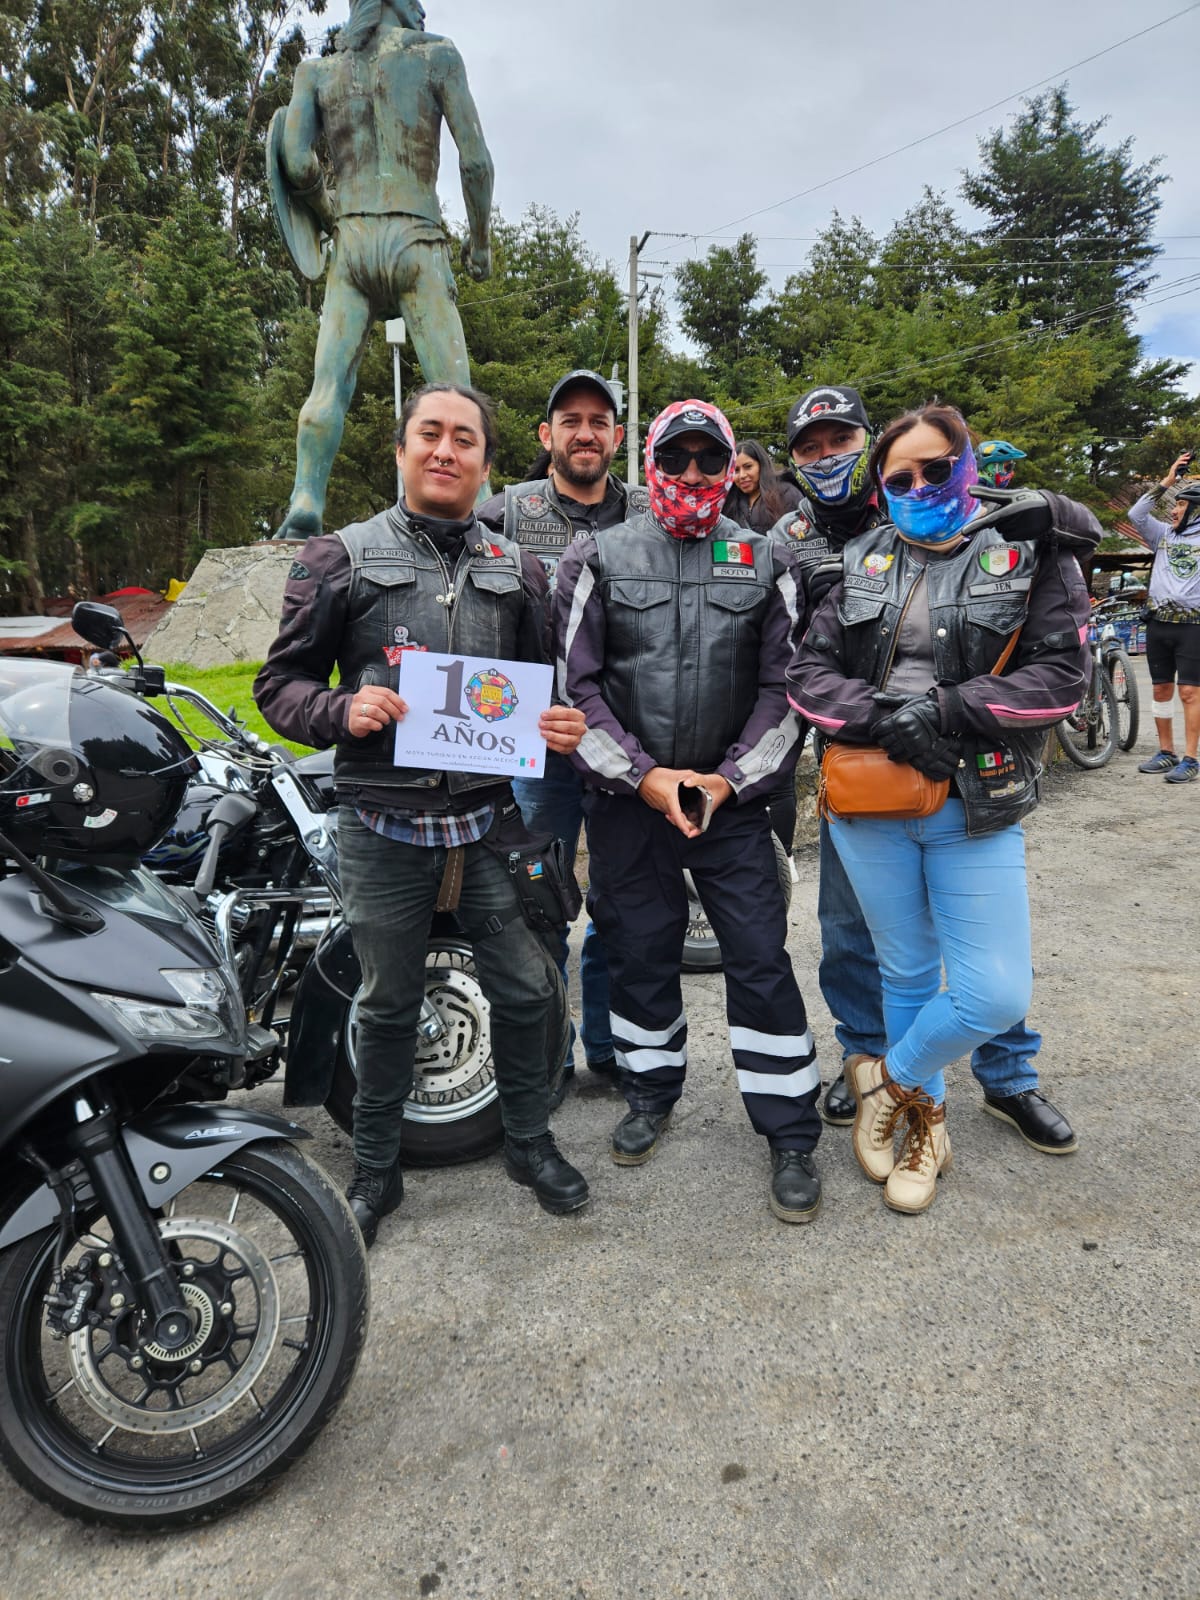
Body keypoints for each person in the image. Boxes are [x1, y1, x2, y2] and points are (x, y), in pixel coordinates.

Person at [254, 382, 590, 1245]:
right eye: (430, 435)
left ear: (486, 463)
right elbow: (278, 688)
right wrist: (341, 713)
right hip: (381, 825)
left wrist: (559, 725)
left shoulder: (522, 571)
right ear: (401, 452)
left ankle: (528, 1141)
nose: (446, 451)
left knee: (525, 988)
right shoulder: (342, 557)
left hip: (486, 823)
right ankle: (374, 1172)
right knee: (388, 1001)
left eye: (465, 440)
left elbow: (544, 695)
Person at [787, 403, 1094, 1213]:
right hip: (871, 802)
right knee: (908, 974)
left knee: (994, 992)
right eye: (900, 478)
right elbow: (807, 675)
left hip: (977, 798)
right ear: (880, 490)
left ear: (967, 463)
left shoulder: (1029, 550)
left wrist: (953, 708)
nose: (918, 485)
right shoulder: (854, 559)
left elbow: (1063, 677)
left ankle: (889, 1083)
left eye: (934, 468)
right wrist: (890, 716)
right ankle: (928, 1125)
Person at [555, 398, 822, 1225]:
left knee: (759, 957)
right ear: (651, 464)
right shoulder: (595, 554)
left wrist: (729, 781)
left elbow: (790, 690)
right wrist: (644, 778)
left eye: (713, 461)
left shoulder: (764, 557)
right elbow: (574, 687)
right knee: (640, 951)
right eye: (678, 461)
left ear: (731, 464)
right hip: (629, 804)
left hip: (731, 804)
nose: (696, 476)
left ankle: (789, 1130)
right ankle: (649, 1092)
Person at [478, 370, 645, 1088]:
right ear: (546, 435)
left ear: (617, 437)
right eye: (570, 420)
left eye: (599, 421)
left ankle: (610, 1052)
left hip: (622, 747)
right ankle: (547, 1055)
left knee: (619, 906)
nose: (585, 432)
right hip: (534, 749)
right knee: (536, 901)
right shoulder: (500, 514)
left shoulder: (647, 513)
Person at [271, 0, 494, 537]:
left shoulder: (318, 72)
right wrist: (481, 242)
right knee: (454, 391)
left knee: (327, 386)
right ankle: (484, 508)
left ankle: (306, 497)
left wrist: (330, 218)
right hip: (416, 238)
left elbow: (296, 162)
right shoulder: (436, 55)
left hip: (352, 243)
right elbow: (476, 161)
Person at [1126, 450, 1200, 783]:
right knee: (1160, 690)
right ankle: (1166, 752)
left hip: (1193, 626)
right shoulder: (1164, 536)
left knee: (1189, 692)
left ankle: (1191, 758)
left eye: (1181, 505)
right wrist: (1168, 481)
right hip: (1158, 623)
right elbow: (1136, 513)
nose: (1174, 510)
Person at [724, 440, 802, 533]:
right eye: (736, 470)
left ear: (761, 465)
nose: (742, 475)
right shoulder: (728, 502)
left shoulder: (785, 493)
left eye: (748, 467)